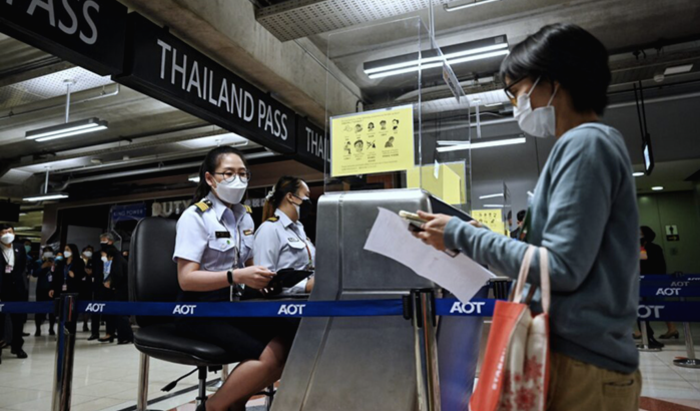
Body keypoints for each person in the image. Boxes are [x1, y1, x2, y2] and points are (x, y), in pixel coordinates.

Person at [415, 24, 641, 410]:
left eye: (516, 90)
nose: (515, 103)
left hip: (581, 366)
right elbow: (561, 257)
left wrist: (464, 237)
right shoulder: (588, 144)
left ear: (554, 82)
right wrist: (480, 236)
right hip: (576, 356)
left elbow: (562, 267)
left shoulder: (585, 144)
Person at [173, 146, 296, 411]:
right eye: (228, 173)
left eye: (242, 173)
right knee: (270, 355)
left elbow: (249, 264)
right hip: (199, 309)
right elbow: (187, 279)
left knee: (292, 334)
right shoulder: (196, 217)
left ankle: (233, 404)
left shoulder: (243, 217)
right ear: (210, 179)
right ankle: (214, 407)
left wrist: (265, 278)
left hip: (234, 305)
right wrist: (236, 276)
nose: (236, 179)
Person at [254, 176, 316, 295]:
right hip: (281, 306)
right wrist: (305, 286)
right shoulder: (270, 229)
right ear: (291, 197)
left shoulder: (299, 230)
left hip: (305, 301)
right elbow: (263, 282)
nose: (308, 200)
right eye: (306, 195)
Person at [639, 226, 677, 340]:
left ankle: (672, 328)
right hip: (641, 281)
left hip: (653, 281)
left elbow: (657, 265)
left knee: (659, 305)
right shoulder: (638, 247)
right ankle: (644, 331)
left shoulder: (654, 248)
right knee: (641, 306)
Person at [0, 223, 28, 361]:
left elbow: (21, 266)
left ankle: (17, 347)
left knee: (18, 320)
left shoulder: (19, 248)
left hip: (17, 288)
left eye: (9, 232)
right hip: (1, 288)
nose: (7, 235)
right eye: (3, 232)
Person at [100, 246, 133, 344]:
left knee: (120, 314)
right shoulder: (119, 259)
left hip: (121, 291)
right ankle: (125, 336)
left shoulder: (117, 260)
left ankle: (125, 337)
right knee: (120, 314)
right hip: (123, 290)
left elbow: (119, 274)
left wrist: (111, 284)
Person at [32, 246, 56, 337]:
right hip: (41, 289)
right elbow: (34, 274)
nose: (48, 253)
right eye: (46, 251)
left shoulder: (55, 263)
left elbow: (57, 275)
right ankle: (38, 329)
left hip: (52, 289)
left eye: (49, 251)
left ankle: (51, 328)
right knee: (39, 310)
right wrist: (42, 267)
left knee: (52, 310)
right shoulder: (38, 262)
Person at [79, 246, 95, 333]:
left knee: (88, 304)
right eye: (87, 251)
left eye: (90, 251)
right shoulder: (79, 262)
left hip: (89, 286)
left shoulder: (93, 262)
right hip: (80, 286)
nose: (88, 252)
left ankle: (85, 323)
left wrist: (91, 273)